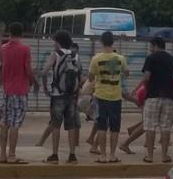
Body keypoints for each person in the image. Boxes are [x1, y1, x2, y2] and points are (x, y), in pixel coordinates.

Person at [42, 30, 83, 164]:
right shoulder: (75, 55)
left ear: (58, 42)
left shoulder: (55, 54)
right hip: (71, 96)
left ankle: (54, 155)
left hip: (57, 95)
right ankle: (72, 155)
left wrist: (45, 87)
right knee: (71, 126)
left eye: (55, 41)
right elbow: (80, 76)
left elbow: (45, 71)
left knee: (55, 125)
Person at [87, 30, 128, 163]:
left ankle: (103, 155)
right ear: (113, 42)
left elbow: (90, 76)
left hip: (100, 95)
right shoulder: (120, 59)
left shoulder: (96, 59)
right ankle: (112, 155)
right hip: (116, 96)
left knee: (101, 126)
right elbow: (126, 73)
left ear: (101, 42)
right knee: (115, 127)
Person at [0, 24, 34, 164]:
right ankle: (12, 154)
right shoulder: (25, 49)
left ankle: (2, 155)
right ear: (21, 33)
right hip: (19, 90)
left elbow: (2, 68)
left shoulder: (3, 49)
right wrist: (34, 82)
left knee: (5, 122)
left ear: (10, 33)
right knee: (15, 123)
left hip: (6, 89)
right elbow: (28, 70)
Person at [140, 36, 173, 163]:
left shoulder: (151, 58)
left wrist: (145, 89)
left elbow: (146, 77)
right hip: (168, 96)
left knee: (150, 126)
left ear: (155, 45)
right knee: (165, 127)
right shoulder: (171, 59)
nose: (150, 48)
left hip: (153, 96)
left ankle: (150, 156)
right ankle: (164, 156)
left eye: (151, 46)